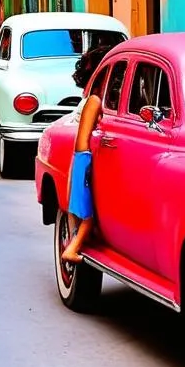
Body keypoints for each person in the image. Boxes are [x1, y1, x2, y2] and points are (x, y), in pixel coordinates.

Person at [61, 43, 112, 263]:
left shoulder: (94, 101)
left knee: (85, 211)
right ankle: (71, 250)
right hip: (84, 158)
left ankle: (73, 244)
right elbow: (85, 137)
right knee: (88, 216)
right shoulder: (94, 101)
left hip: (83, 158)